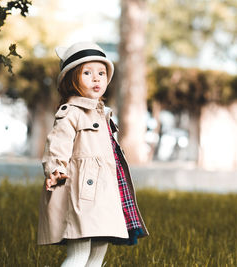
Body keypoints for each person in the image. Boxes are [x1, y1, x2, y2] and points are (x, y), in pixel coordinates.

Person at [37, 42, 148, 267]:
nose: (96, 78)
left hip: (106, 195)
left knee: (97, 258)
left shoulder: (104, 114)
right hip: (83, 195)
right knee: (78, 256)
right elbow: (57, 145)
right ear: (71, 80)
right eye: (87, 73)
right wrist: (56, 169)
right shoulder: (71, 113)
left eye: (101, 73)